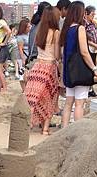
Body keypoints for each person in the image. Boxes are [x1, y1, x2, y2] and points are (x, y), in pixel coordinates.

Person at [60, 1, 97, 127]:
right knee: (79, 103)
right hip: (79, 71)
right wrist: (94, 68)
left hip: (68, 70)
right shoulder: (79, 29)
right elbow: (84, 52)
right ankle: (78, 131)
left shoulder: (66, 29)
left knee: (68, 103)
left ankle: (64, 130)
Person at [24, 5, 60, 135]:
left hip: (37, 66)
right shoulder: (56, 32)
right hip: (49, 68)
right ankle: (45, 129)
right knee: (50, 97)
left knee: (32, 97)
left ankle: (27, 125)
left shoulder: (40, 31)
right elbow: (56, 55)